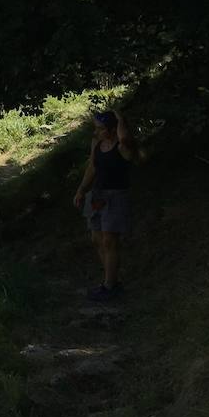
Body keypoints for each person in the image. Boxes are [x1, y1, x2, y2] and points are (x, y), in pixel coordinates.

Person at [73, 109, 137, 301]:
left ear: (112, 130)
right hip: (97, 196)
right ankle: (111, 281)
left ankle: (110, 286)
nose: (96, 132)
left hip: (116, 196)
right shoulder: (97, 144)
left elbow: (125, 139)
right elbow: (92, 167)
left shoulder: (122, 147)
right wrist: (81, 190)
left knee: (110, 241)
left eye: (100, 129)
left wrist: (120, 120)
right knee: (97, 239)